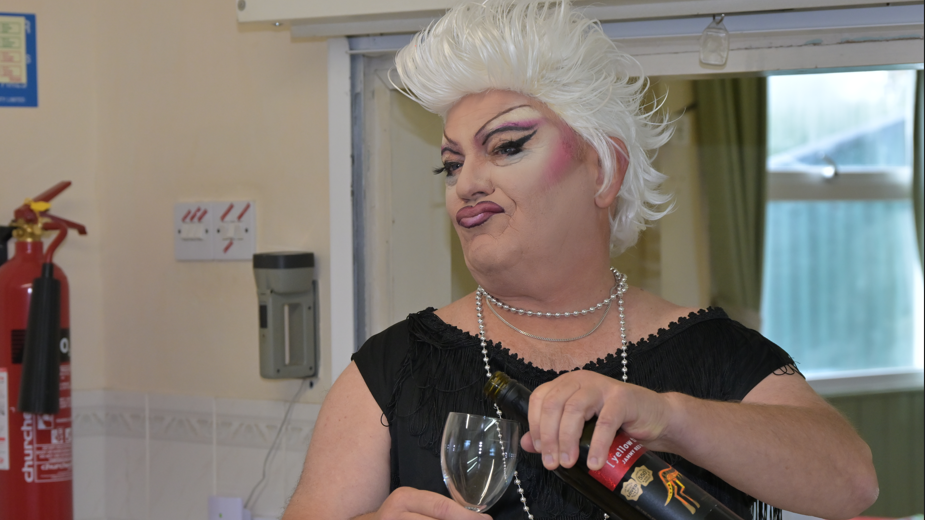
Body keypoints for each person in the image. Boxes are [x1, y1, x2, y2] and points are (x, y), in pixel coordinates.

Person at [282, 2, 878, 519]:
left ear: (604, 169)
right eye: (452, 164)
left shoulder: (716, 353)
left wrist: (671, 419)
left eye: (507, 146)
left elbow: (852, 481)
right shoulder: (393, 369)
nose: (467, 184)